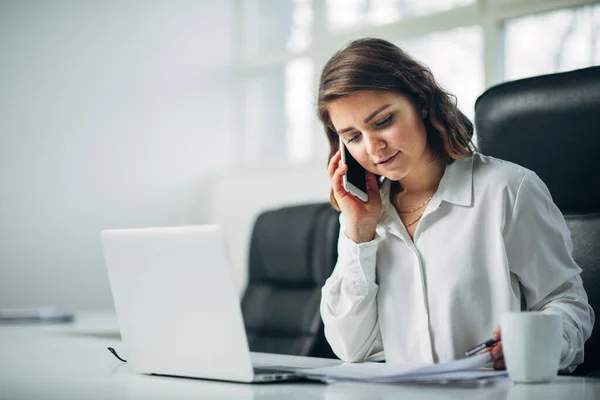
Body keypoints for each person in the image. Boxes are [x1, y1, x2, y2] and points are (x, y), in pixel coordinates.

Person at [317, 37, 594, 372]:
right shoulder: (364, 218)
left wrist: (533, 345)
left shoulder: (507, 189)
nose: (373, 148)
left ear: (420, 102)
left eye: (383, 121)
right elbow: (351, 348)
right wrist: (358, 234)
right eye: (353, 137)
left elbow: (567, 305)